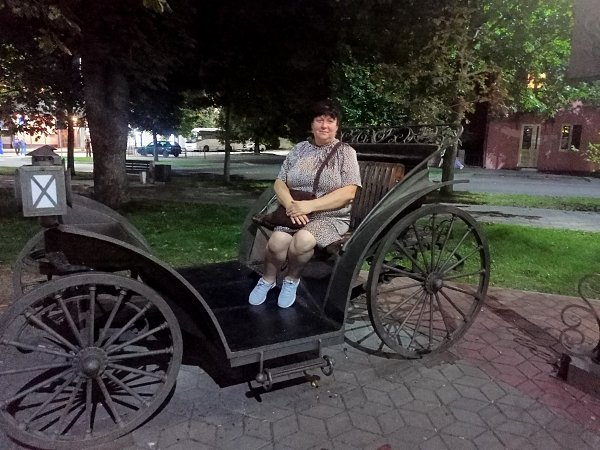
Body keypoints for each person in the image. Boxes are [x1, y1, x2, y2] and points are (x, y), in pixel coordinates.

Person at [249, 100, 362, 308]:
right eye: (319, 120)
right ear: (312, 124)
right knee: (276, 243)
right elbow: (280, 182)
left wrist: (310, 206)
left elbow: (349, 192)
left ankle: (291, 280)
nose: (324, 125)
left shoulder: (346, 153)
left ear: (337, 126)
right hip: (295, 211)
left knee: (301, 242)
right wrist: (291, 205)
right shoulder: (299, 149)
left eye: (330, 121)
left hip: (329, 216)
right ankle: (267, 279)